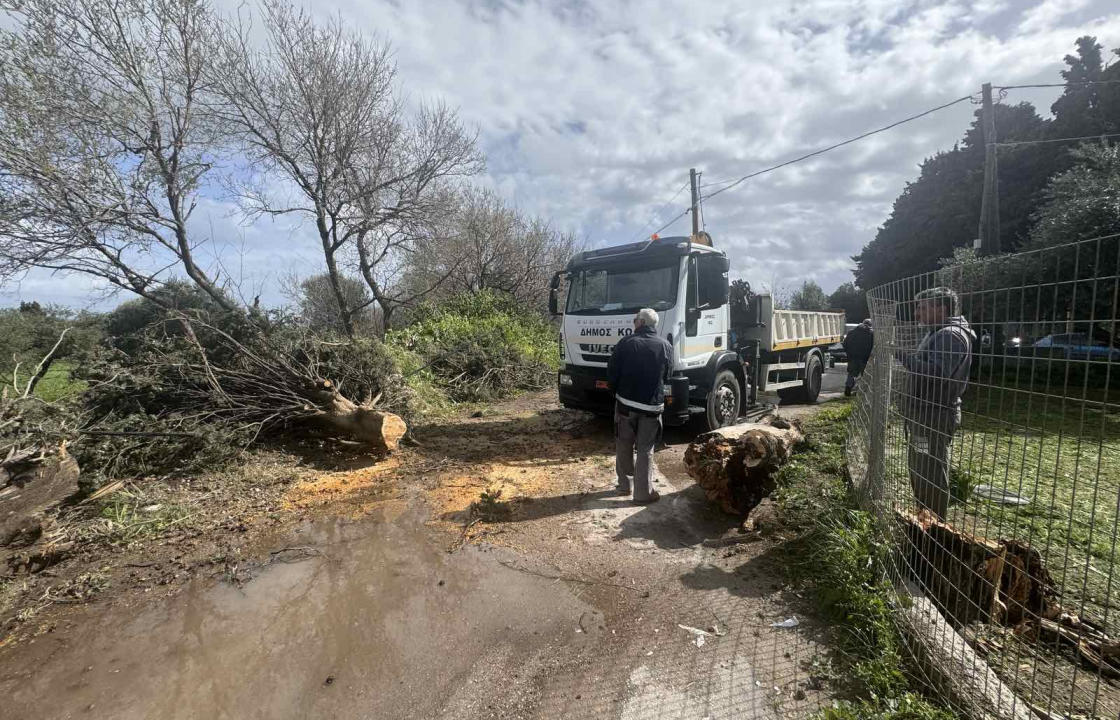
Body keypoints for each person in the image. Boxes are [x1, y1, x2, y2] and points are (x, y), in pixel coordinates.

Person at [897, 287, 974, 518]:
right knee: (921, 465)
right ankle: (924, 518)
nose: (917, 314)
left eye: (922, 308)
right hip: (924, 416)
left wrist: (902, 356)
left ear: (941, 308)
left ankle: (935, 531)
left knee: (930, 469)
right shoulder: (938, 332)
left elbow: (937, 373)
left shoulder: (950, 335)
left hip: (934, 417)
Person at [608, 307, 672, 505]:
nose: (633, 322)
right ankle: (643, 494)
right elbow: (667, 375)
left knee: (623, 444)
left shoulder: (626, 343)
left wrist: (616, 394)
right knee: (645, 449)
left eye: (635, 319)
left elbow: (612, 373)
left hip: (625, 405)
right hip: (652, 408)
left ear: (642, 322)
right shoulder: (665, 345)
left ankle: (624, 486)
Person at [842, 319, 874, 396]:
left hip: (853, 358)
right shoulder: (871, 334)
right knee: (864, 375)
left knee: (851, 373)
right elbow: (873, 346)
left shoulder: (852, 332)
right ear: (870, 325)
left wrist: (849, 353)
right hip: (864, 359)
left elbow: (845, 344)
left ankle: (848, 389)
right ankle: (861, 392)